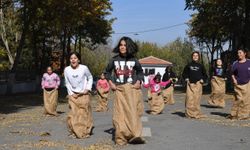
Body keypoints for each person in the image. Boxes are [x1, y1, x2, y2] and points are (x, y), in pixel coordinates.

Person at [105, 36, 145, 145]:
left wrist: (138, 82)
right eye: (121, 45)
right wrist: (111, 83)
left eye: (125, 45)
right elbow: (107, 73)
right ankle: (121, 137)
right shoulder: (114, 60)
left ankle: (135, 134)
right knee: (120, 114)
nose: (122, 47)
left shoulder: (134, 60)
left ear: (129, 47)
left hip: (132, 90)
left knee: (132, 113)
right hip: (120, 90)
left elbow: (140, 72)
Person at [64, 52, 94, 138]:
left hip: (83, 94)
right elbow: (67, 82)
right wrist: (71, 93)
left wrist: (87, 89)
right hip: (73, 95)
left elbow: (90, 77)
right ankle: (74, 131)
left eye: (75, 58)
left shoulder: (84, 68)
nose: (73, 60)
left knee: (84, 113)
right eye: (71, 58)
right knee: (73, 114)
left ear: (78, 60)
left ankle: (85, 131)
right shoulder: (67, 69)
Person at [182, 51, 208, 119]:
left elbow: (205, 75)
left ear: (198, 57)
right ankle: (189, 114)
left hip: (198, 84)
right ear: (192, 57)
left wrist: (203, 79)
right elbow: (184, 74)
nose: (195, 56)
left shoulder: (201, 66)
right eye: (194, 55)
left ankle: (196, 113)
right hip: (190, 85)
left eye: (197, 55)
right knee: (189, 99)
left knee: (196, 99)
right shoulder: (188, 65)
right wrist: (186, 79)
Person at [228, 49, 250, 120]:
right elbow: (232, 73)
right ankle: (234, 114)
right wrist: (234, 80)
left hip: (247, 84)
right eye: (238, 53)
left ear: (245, 53)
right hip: (238, 84)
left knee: (246, 101)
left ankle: (244, 115)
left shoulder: (249, 62)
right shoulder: (236, 63)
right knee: (238, 99)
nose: (239, 54)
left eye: (240, 53)